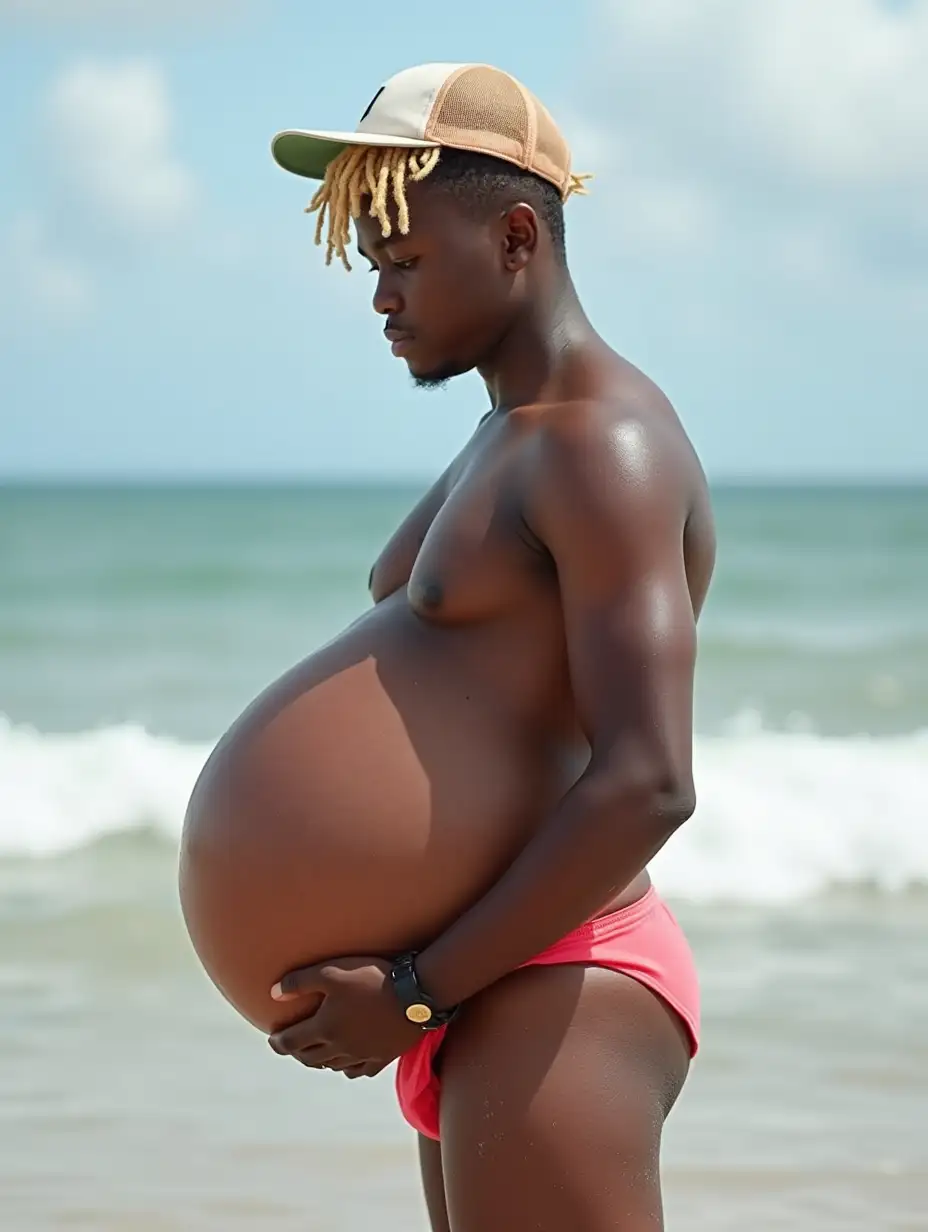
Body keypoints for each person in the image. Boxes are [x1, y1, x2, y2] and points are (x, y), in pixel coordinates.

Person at [182, 62, 716, 1232]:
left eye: (407, 261)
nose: (381, 295)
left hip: (552, 974)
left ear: (517, 234)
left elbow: (649, 778)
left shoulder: (601, 445)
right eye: (373, 266)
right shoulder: (506, 438)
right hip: (487, 979)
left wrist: (419, 993)